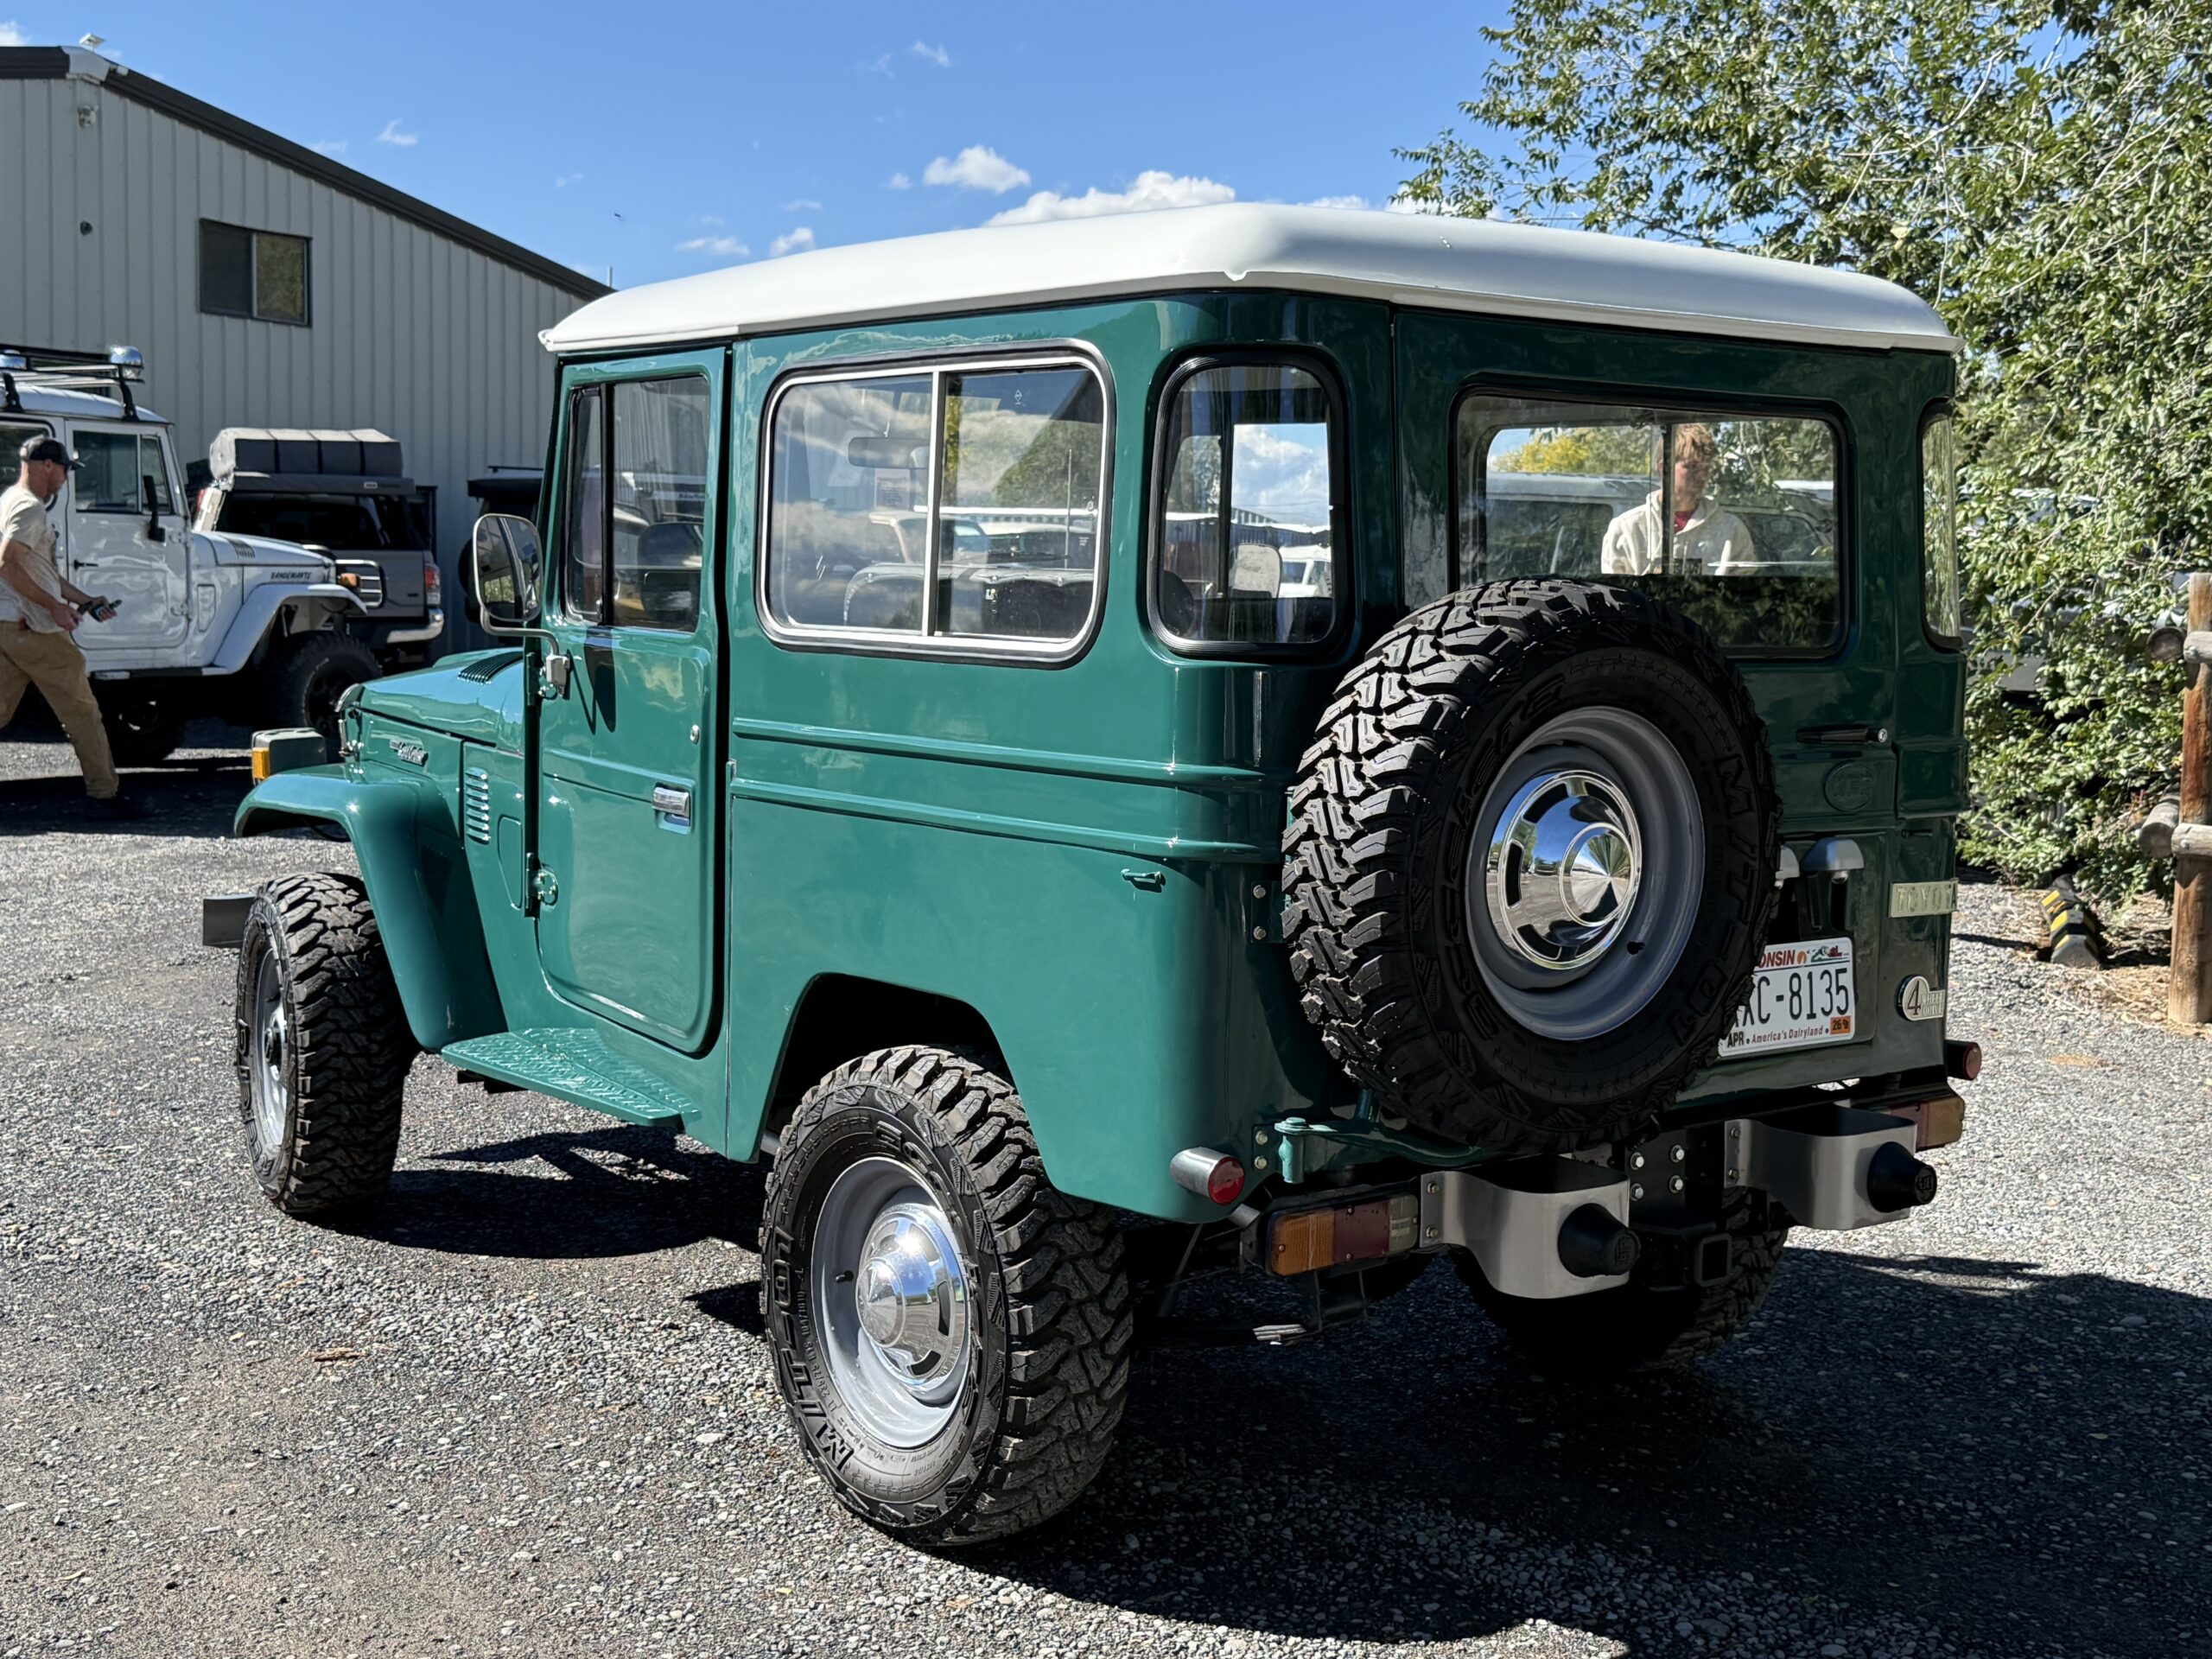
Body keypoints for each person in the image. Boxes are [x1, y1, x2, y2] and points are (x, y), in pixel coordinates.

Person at [0, 435, 138, 816]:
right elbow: (7, 564)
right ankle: (105, 796)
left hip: (9, 628)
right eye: (63, 470)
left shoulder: (9, 501)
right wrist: (57, 610)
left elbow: (38, 570)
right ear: (47, 465)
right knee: (82, 712)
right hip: (36, 632)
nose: (65, 479)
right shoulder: (30, 509)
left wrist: (85, 601)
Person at [1600, 423, 1755, 576]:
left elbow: (1744, 592)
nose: (1701, 475)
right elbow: (1615, 593)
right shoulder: (1627, 529)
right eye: (1692, 467)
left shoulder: (1730, 530)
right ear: (1664, 468)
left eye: (1706, 468)